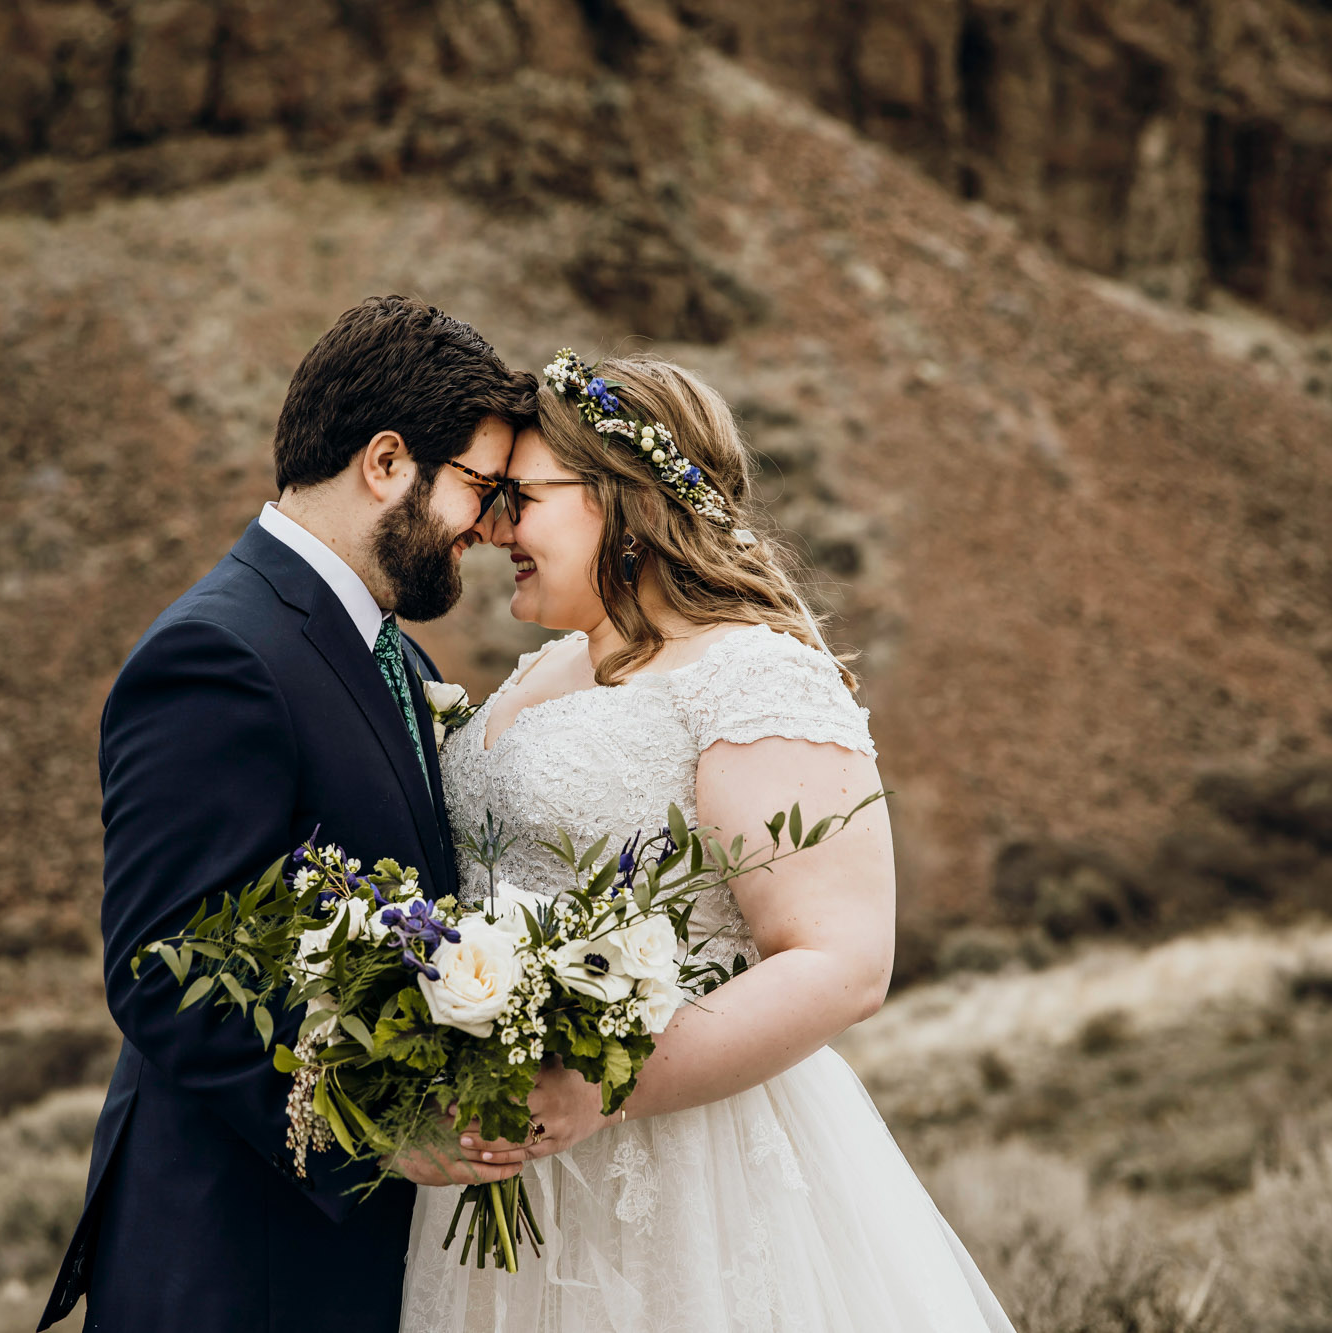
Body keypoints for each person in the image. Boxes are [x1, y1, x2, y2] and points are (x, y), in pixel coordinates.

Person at [399, 351, 1016, 1332]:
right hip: (509, 1190)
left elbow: (843, 960)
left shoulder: (751, 675)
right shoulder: (541, 671)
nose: (495, 526)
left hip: (695, 1181)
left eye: (524, 496)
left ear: (624, 501)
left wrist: (605, 1080)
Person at [37, 297, 538, 1333]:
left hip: (337, 1259)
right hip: (238, 1258)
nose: (490, 528)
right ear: (387, 463)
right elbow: (161, 961)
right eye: (480, 489)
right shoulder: (217, 654)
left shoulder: (394, 653)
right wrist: (381, 1128)